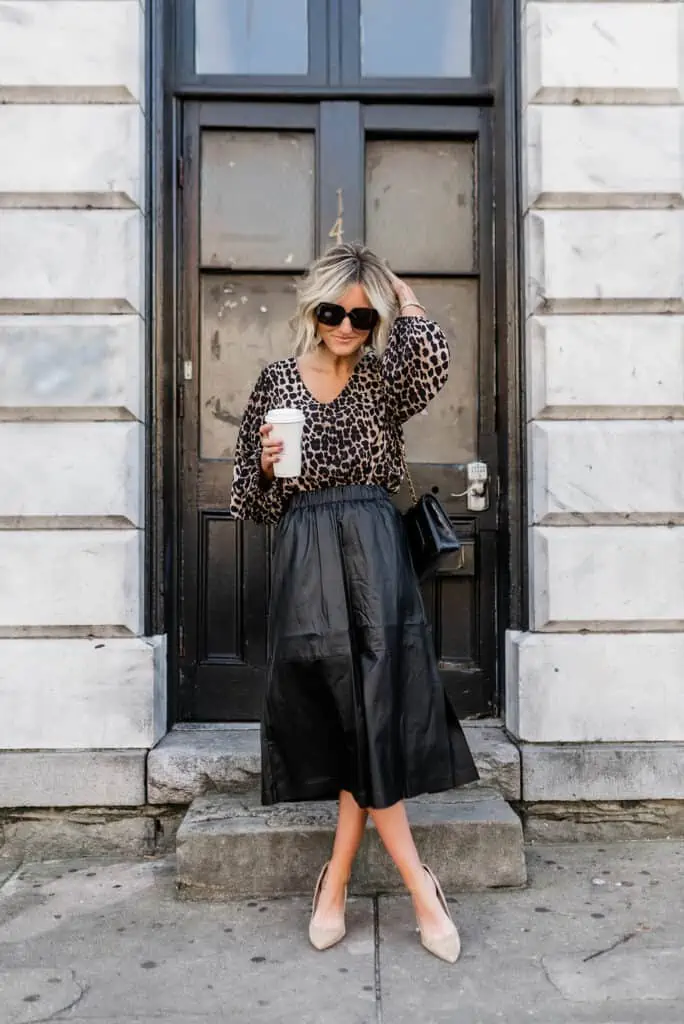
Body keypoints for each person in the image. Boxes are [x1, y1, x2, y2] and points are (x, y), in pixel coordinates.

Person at [230, 242, 478, 964]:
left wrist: (405, 296)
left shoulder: (379, 381)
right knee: (343, 712)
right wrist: (271, 467)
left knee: (374, 707)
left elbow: (432, 359)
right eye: (335, 312)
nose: (346, 327)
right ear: (314, 311)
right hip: (307, 550)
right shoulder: (276, 378)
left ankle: (342, 885)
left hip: (375, 548)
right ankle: (409, 884)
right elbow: (248, 497)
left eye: (361, 316)